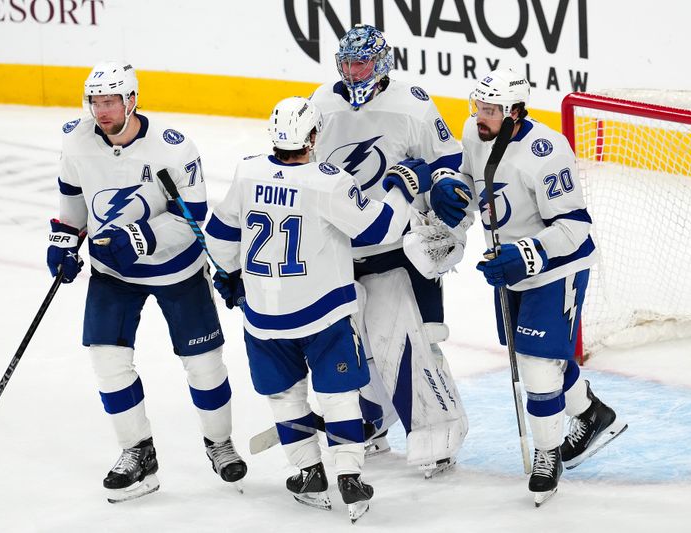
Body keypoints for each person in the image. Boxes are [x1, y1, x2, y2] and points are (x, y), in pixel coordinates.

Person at [203, 96, 431, 522]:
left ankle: (308, 472)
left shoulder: (248, 170)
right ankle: (348, 474)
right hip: (321, 314)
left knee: (285, 394)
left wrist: (232, 275)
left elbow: (217, 236)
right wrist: (402, 185)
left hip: (263, 319)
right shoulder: (328, 180)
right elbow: (381, 229)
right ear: (313, 136)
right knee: (339, 394)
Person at [46, 61, 246, 503]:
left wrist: (138, 238)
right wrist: (64, 240)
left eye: (111, 100)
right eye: (95, 101)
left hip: (178, 271)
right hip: (113, 274)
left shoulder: (174, 150)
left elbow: (194, 221)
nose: (102, 110)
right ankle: (137, 453)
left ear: (132, 99)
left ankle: (219, 442)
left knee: (205, 365)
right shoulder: (76, 142)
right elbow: (73, 203)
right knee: (108, 362)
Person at [430, 68, 628, 505]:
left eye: (492, 110)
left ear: (516, 112)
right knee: (532, 353)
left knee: (538, 365)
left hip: (556, 267)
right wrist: (450, 194)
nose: (481, 116)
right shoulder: (473, 131)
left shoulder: (547, 151)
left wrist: (527, 253)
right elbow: (472, 182)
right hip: (509, 266)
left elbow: (575, 227)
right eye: (477, 106)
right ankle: (593, 415)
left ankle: (548, 454)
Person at [309, 23, 469, 477]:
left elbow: (449, 163)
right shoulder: (321, 104)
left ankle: (438, 430)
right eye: (346, 64)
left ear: (381, 65)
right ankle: (371, 419)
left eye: (361, 64)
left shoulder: (411, 105)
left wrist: (439, 191)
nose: (353, 73)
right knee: (351, 340)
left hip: (395, 243)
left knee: (404, 338)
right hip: (340, 246)